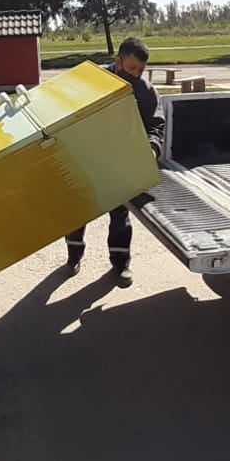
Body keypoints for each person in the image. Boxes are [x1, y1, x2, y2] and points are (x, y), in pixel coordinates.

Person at [64, 37, 165, 287]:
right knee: (77, 211)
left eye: (140, 70)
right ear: (117, 60)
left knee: (120, 215)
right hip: (88, 159)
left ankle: (121, 264)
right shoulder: (92, 81)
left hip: (121, 163)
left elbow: (156, 127)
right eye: (131, 68)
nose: (136, 74)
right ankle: (73, 257)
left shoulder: (145, 91)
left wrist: (151, 150)